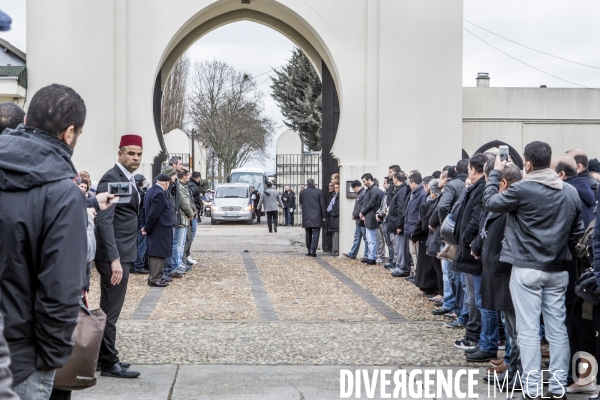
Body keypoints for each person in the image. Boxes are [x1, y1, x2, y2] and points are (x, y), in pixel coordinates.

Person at [0, 84, 89, 397]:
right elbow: (61, 292)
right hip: (20, 363)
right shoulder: (63, 195)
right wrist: (49, 359)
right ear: (69, 134)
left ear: (26, 122)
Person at [483, 141, 584, 399]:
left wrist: (496, 172)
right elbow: (577, 234)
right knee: (557, 329)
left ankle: (531, 387)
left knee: (527, 330)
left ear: (527, 163)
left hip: (526, 267)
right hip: (559, 268)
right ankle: (559, 384)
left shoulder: (522, 189)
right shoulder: (570, 192)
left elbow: (490, 202)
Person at [471, 162, 523, 392]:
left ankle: (517, 372)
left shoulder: (510, 202)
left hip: (505, 272)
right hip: (496, 270)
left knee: (516, 330)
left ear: (502, 183)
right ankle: (513, 369)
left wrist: (492, 173)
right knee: (510, 327)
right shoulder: (504, 201)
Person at [95, 134, 143, 378]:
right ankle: (108, 362)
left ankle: (103, 358)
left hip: (123, 252)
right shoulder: (111, 178)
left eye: (139, 154)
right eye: (131, 153)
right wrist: (114, 259)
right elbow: (105, 221)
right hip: (114, 256)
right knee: (110, 311)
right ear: (120, 154)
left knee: (108, 308)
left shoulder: (129, 179)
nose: (135, 158)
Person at [452, 153, 487, 354]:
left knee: (475, 297)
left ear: (473, 170)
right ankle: (474, 335)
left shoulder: (481, 189)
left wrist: (465, 239)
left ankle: (474, 336)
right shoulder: (477, 188)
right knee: (472, 296)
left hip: (472, 251)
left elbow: (476, 219)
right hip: (469, 249)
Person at [141, 174, 173, 287]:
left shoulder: (150, 191)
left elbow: (144, 210)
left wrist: (143, 225)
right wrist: (147, 227)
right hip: (160, 227)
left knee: (156, 252)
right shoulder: (159, 193)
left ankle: (155, 277)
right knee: (158, 253)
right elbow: (154, 212)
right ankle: (155, 278)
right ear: (166, 183)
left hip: (155, 227)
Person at [387, 172, 411, 277]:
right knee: (399, 246)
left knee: (401, 247)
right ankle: (401, 265)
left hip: (398, 223)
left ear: (396, 179)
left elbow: (401, 208)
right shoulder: (400, 189)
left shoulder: (402, 190)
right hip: (395, 222)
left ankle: (403, 267)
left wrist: (399, 224)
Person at [299, 178, 326, 257]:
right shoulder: (319, 191)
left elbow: (301, 202)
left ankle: (309, 249)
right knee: (316, 233)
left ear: (307, 184)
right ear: (314, 184)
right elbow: (322, 205)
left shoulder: (303, 192)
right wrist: (324, 215)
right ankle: (313, 250)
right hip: (317, 215)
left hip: (306, 215)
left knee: (308, 233)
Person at [343, 180, 368, 260]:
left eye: (354, 189)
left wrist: (354, 215)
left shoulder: (363, 194)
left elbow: (360, 207)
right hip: (359, 219)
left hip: (361, 219)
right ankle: (353, 253)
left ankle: (366, 255)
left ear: (356, 187)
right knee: (358, 237)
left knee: (365, 238)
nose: (354, 190)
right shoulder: (361, 193)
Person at [359, 173, 380, 265]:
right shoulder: (370, 189)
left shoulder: (374, 189)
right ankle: (370, 256)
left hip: (371, 215)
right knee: (369, 237)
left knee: (371, 238)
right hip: (368, 215)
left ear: (369, 179)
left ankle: (372, 257)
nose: (363, 183)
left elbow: (371, 203)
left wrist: (362, 212)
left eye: (364, 181)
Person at [185, 172, 203, 265]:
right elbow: (189, 198)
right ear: (199, 178)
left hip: (193, 211)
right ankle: (186, 255)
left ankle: (186, 255)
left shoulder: (191, 185)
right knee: (190, 235)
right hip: (193, 212)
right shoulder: (192, 185)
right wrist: (194, 209)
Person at [327, 183, 341, 255]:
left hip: (335, 218)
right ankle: (334, 250)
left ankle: (335, 251)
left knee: (336, 235)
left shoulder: (338, 197)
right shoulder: (335, 196)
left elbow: (337, 209)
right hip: (333, 218)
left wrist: (333, 214)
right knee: (334, 235)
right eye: (335, 187)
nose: (336, 189)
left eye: (337, 187)